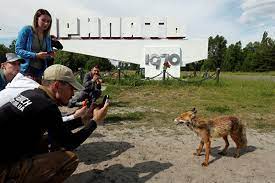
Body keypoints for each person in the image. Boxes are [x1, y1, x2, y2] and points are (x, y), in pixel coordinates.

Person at [0, 64, 109, 182]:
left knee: (48, 140)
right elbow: (69, 142)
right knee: (69, 159)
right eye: (71, 88)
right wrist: (95, 122)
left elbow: (56, 127)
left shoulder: (30, 94)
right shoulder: (47, 106)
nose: (73, 94)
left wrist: (83, 119)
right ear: (57, 85)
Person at [15, 9, 54, 83]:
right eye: (43, 20)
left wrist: (50, 54)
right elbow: (18, 50)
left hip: (40, 72)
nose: (46, 23)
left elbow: (48, 54)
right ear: (36, 19)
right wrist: (35, 55)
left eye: (48, 21)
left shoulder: (47, 36)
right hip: (25, 70)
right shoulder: (27, 30)